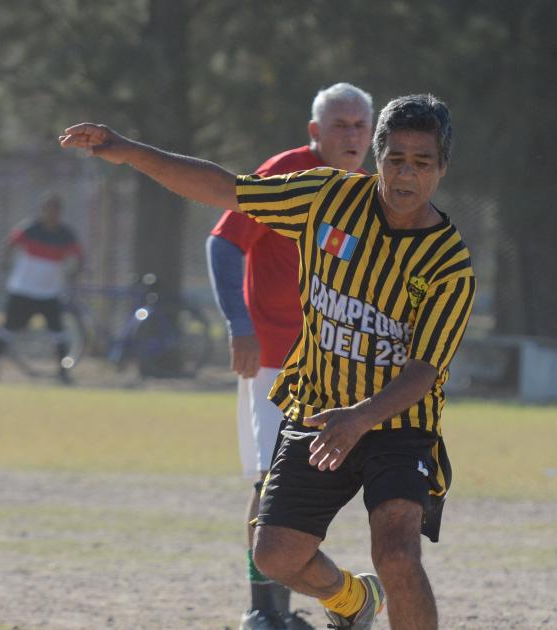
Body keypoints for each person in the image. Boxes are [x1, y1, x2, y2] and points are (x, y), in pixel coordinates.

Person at [60, 93, 476, 630]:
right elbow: (226, 189)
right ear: (377, 159)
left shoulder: (448, 264)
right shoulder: (328, 196)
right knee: (274, 556)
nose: (406, 175)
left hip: (398, 425)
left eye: (421, 163)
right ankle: (353, 599)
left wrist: (359, 418)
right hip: (319, 410)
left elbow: (424, 372)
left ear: (442, 168)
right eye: (395, 159)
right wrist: (128, 150)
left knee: (397, 555)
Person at [206, 83, 373, 630]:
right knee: (269, 483)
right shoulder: (287, 172)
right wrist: (239, 325)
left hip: (336, 369)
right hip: (275, 360)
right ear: (315, 132)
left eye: (360, 125)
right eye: (340, 124)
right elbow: (223, 242)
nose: (351, 135)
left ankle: (333, 599)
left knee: (316, 489)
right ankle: (264, 611)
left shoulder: (371, 192)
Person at [0, 193, 84, 384]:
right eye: (47, 209)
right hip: (23, 289)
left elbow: (79, 256)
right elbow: (10, 243)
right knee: (7, 329)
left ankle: (63, 373)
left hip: (49, 292)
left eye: (54, 210)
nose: (50, 213)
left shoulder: (66, 234)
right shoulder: (30, 228)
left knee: (58, 333)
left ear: (59, 212)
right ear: (42, 210)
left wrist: (75, 272)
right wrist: (4, 260)